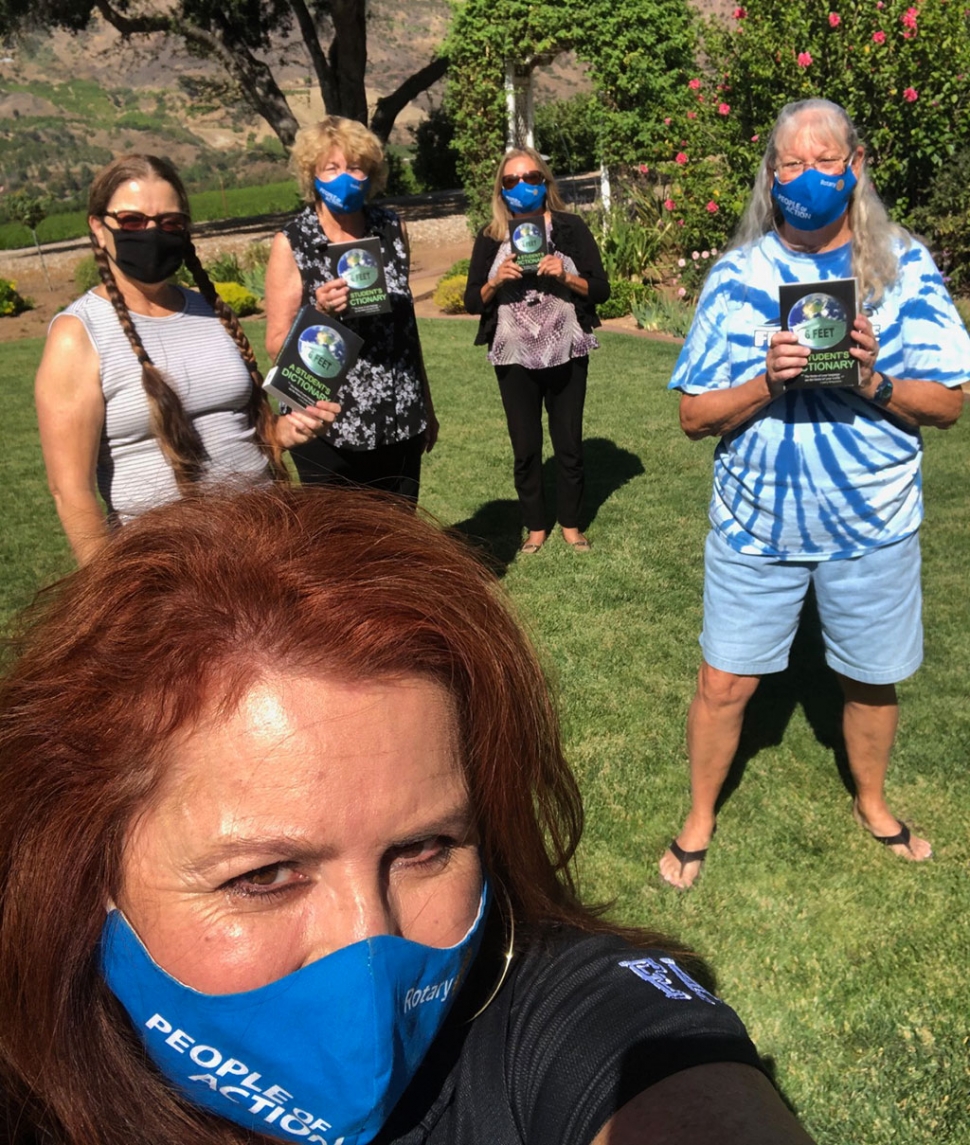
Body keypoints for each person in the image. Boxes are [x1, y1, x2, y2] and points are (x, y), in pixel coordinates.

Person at [0, 483, 816, 1145]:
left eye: (425, 847)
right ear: (85, 863)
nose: (371, 942)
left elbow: (638, 1055)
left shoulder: (541, 1013)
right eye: (264, 874)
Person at [660, 99, 968, 891]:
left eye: (824, 161)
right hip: (756, 523)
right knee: (724, 680)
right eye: (790, 163)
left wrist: (874, 379)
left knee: (871, 675)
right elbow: (694, 414)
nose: (806, 176)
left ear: (855, 166)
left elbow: (948, 403)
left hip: (874, 521)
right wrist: (766, 381)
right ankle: (699, 816)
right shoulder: (738, 278)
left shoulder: (901, 266)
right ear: (771, 175)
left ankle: (872, 799)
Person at [34, 154, 338, 565]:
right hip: (165, 568)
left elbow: (240, 428)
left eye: (170, 223)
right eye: (132, 221)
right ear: (97, 226)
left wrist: (282, 434)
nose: (152, 234)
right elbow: (70, 489)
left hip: (266, 544)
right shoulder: (78, 333)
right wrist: (109, 591)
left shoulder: (208, 310)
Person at [264, 118, 437, 502]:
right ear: (313, 174)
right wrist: (321, 313)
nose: (347, 177)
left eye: (356, 167)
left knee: (398, 540)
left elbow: (405, 329)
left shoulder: (390, 227)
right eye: (333, 168)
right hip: (327, 424)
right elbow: (276, 345)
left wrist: (425, 405)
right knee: (340, 549)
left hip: (398, 416)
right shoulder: (292, 242)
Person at [465, 147, 610, 554]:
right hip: (512, 352)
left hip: (566, 346)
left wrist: (566, 275)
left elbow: (601, 288)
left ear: (545, 183)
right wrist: (496, 282)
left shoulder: (569, 228)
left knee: (568, 443)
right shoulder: (492, 235)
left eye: (531, 177)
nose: (522, 187)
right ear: (501, 189)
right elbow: (472, 300)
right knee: (525, 446)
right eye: (511, 181)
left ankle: (571, 524)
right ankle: (535, 527)